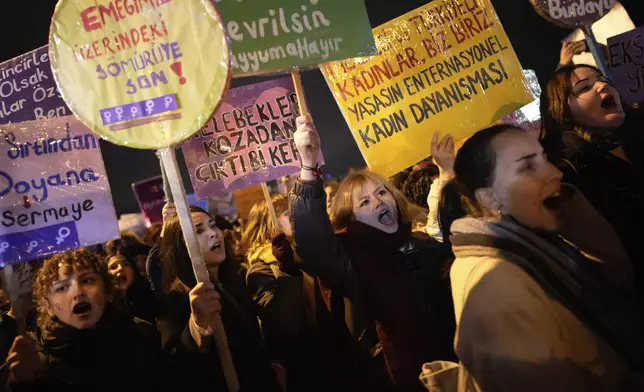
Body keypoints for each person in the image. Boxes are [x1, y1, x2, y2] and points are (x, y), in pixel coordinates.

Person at [437, 124, 644, 391]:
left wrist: (570, 209)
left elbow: (618, 278)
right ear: (490, 197)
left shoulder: (534, 242)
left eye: (544, 158)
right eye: (527, 167)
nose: (556, 173)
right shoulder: (496, 288)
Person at [291, 115, 456, 391]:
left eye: (381, 192)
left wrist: (447, 172)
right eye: (365, 202)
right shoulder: (351, 260)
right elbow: (311, 240)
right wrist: (309, 167)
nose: (378, 201)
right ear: (350, 218)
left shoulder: (419, 242)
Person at [540, 64, 643, 301]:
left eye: (602, 78)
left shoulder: (636, 133)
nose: (602, 85)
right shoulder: (567, 174)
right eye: (584, 87)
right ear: (563, 111)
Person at [158, 206, 279, 391]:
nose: (213, 233)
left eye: (212, 225)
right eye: (199, 230)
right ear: (181, 247)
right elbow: (177, 370)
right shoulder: (177, 301)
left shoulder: (233, 282)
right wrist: (198, 326)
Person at [2, 249, 159, 391]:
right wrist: (25, 385)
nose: (77, 292)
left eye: (87, 281)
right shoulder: (36, 362)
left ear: (108, 291)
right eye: (62, 288)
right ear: (48, 306)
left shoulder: (142, 334)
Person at [243, 195, 356, 392]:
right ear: (271, 224)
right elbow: (282, 322)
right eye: (288, 214)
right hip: (307, 368)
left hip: (337, 354)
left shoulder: (305, 254)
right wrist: (286, 270)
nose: (296, 217)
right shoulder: (261, 269)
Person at [106, 254, 158, 324]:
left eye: (126, 264)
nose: (120, 268)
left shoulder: (152, 293)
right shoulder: (107, 311)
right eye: (114, 267)